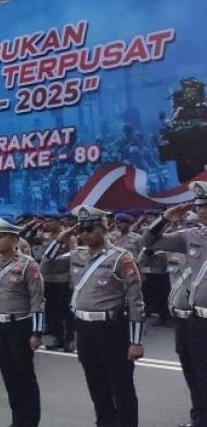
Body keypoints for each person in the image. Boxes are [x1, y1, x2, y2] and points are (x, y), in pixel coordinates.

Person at [42, 205, 145, 427]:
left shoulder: (121, 258)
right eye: (81, 230)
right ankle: (105, 422)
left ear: (104, 228)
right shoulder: (76, 255)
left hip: (111, 328)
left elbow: (136, 301)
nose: (85, 234)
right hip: (85, 329)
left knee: (121, 385)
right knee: (96, 383)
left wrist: (136, 342)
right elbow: (47, 264)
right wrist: (62, 238)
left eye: (90, 229)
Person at [140, 181, 207, 427]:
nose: (202, 210)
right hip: (197, 319)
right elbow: (150, 241)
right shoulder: (192, 235)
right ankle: (200, 418)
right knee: (196, 373)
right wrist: (165, 218)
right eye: (199, 205)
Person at [0, 218, 44, 427]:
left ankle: (30, 422)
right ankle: (17, 421)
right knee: (9, 377)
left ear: (14, 239)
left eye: (0, 236)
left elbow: (38, 299)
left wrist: (37, 332)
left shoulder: (28, 265)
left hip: (19, 326)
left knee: (24, 377)